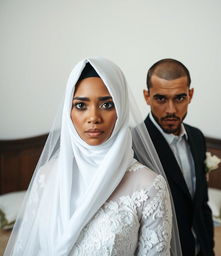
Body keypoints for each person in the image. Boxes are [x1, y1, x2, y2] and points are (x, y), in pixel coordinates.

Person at [4, 57, 179, 256]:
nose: (93, 117)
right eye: (81, 106)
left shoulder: (148, 186)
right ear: (68, 112)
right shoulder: (46, 176)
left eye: (107, 105)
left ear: (121, 109)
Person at [132, 58, 215, 256]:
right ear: (147, 96)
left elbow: (201, 204)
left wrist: (209, 248)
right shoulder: (133, 144)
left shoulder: (196, 137)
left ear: (190, 95)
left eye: (179, 98)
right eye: (161, 99)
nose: (171, 109)